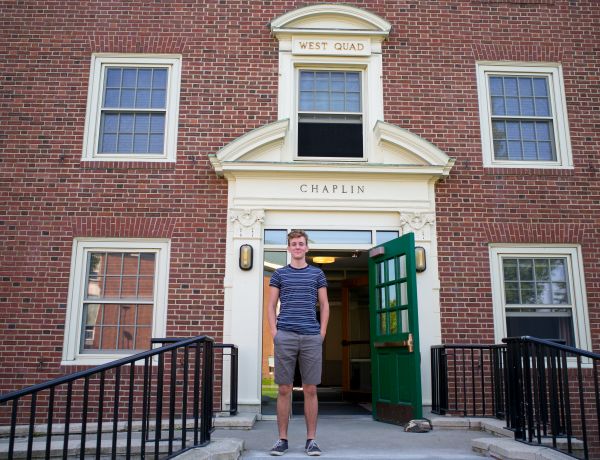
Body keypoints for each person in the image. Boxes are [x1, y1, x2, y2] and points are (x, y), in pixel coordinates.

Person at [267, 229, 330, 457]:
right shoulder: (279, 274)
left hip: (311, 336)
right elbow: (271, 306)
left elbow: (324, 305)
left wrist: (321, 333)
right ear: (289, 248)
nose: (297, 247)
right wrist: (275, 333)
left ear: (307, 247)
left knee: (310, 389)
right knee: (284, 389)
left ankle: (311, 440)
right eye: (293, 244)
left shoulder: (317, 274)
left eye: (301, 244)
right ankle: (282, 440)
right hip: (285, 336)